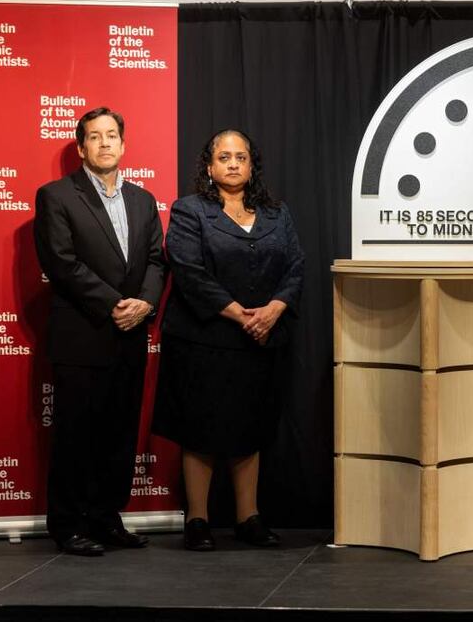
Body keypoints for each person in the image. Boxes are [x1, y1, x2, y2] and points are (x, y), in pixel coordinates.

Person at [153, 129, 304, 551]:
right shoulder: (189, 211)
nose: (233, 163)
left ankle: (248, 518)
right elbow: (188, 271)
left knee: (250, 430)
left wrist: (275, 308)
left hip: (260, 340)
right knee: (200, 430)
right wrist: (241, 314)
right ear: (209, 166)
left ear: (252, 166)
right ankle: (197, 520)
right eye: (224, 157)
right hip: (204, 340)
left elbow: (296, 266)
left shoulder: (277, 213)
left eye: (241, 157)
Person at [33, 107, 165, 556]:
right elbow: (60, 261)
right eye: (96, 136)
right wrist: (114, 305)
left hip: (130, 336)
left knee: (119, 436)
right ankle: (68, 526)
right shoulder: (56, 196)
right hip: (83, 335)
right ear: (81, 146)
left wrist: (145, 304)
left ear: (124, 145)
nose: (106, 143)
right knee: (75, 436)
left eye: (113, 135)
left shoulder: (144, 201)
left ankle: (107, 519)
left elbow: (156, 260)